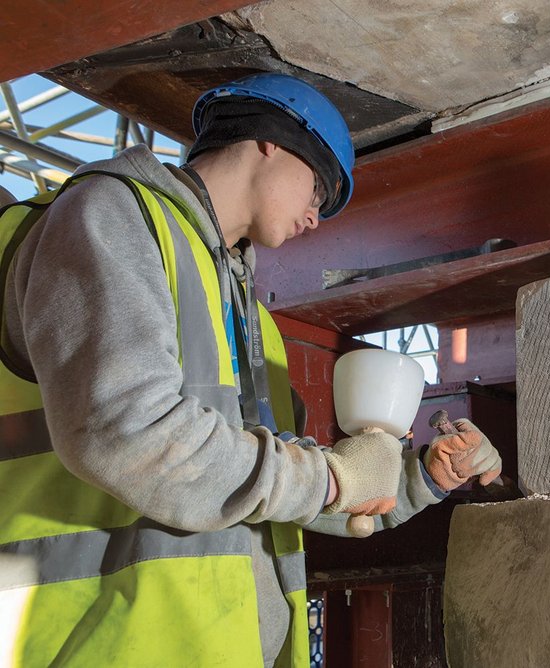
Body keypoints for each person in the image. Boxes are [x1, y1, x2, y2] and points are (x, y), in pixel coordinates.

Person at [0, 72, 502, 667]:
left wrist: (417, 479)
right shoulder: (113, 215)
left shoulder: (249, 316)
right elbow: (124, 431)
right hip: (94, 643)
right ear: (271, 140)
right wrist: (333, 477)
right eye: (317, 189)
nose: (315, 217)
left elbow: (266, 487)